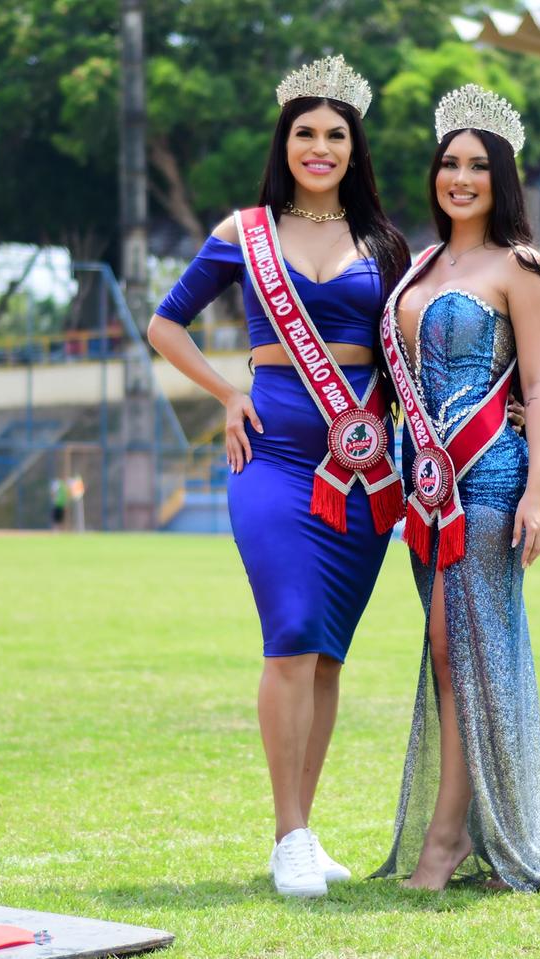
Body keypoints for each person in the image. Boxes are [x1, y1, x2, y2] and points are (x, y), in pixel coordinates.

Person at [146, 55, 415, 898]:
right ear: (286, 142)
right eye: (306, 133)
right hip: (272, 453)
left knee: (328, 654)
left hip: (363, 467)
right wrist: (227, 391)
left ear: (353, 147)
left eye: (336, 134)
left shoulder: (385, 243)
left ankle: (306, 825)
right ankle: (287, 832)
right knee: (291, 629)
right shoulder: (243, 232)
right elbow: (165, 324)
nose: (321, 147)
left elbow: (414, 350)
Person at [372, 85, 540, 897]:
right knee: (452, 656)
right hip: (423, 484)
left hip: (489, 478)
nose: (461, 177)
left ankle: (446, 841)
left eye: (479, 165)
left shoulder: (524, 268)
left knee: (461, 648)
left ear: (501, 177)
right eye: (450, 163)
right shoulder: (419, 266)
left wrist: (538, 495)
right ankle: (469, 825)